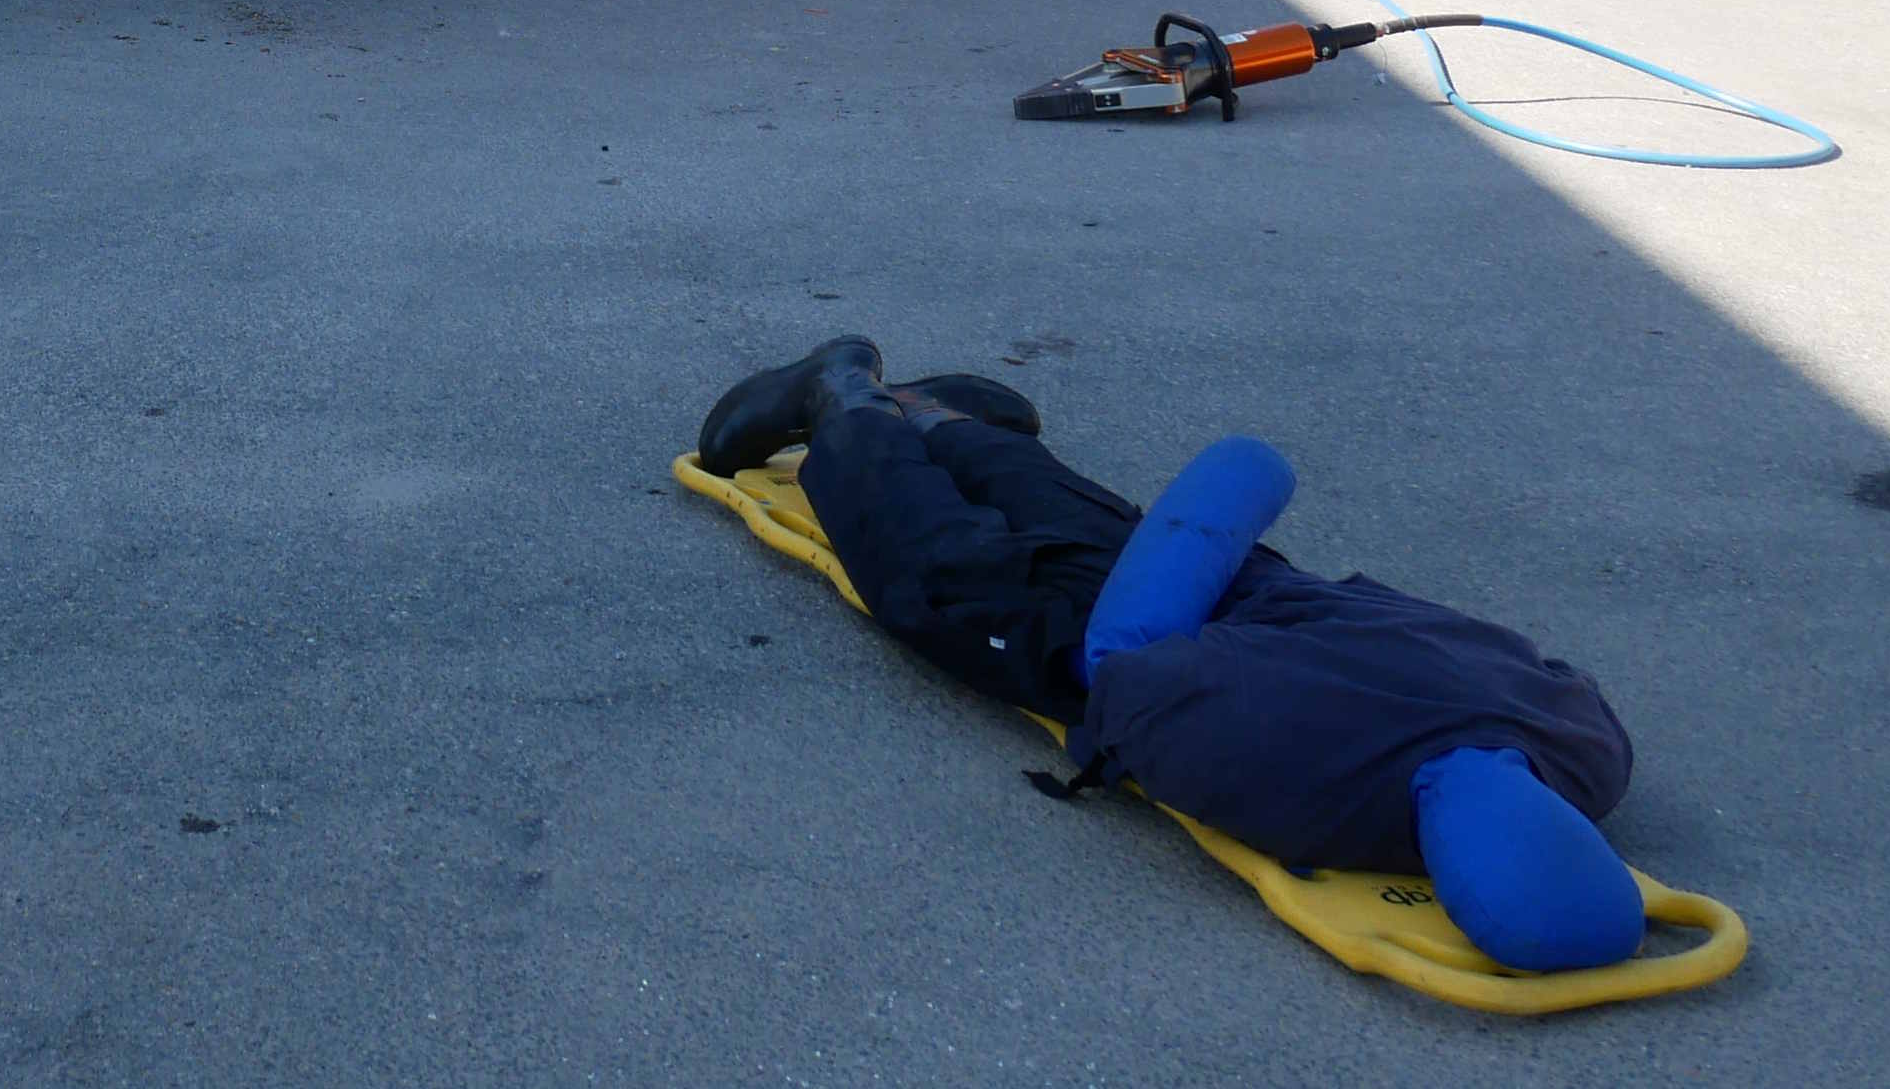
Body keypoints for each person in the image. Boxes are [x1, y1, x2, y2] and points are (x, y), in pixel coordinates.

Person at [696, 339, 1650, 978]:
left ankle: (945, 421)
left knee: (1093, 527)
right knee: (937, 570)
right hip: (1177, 634)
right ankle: (847, 399)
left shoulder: (1584, 742)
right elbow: (1136, 688)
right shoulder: (1320, 779)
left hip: (1266, 590)